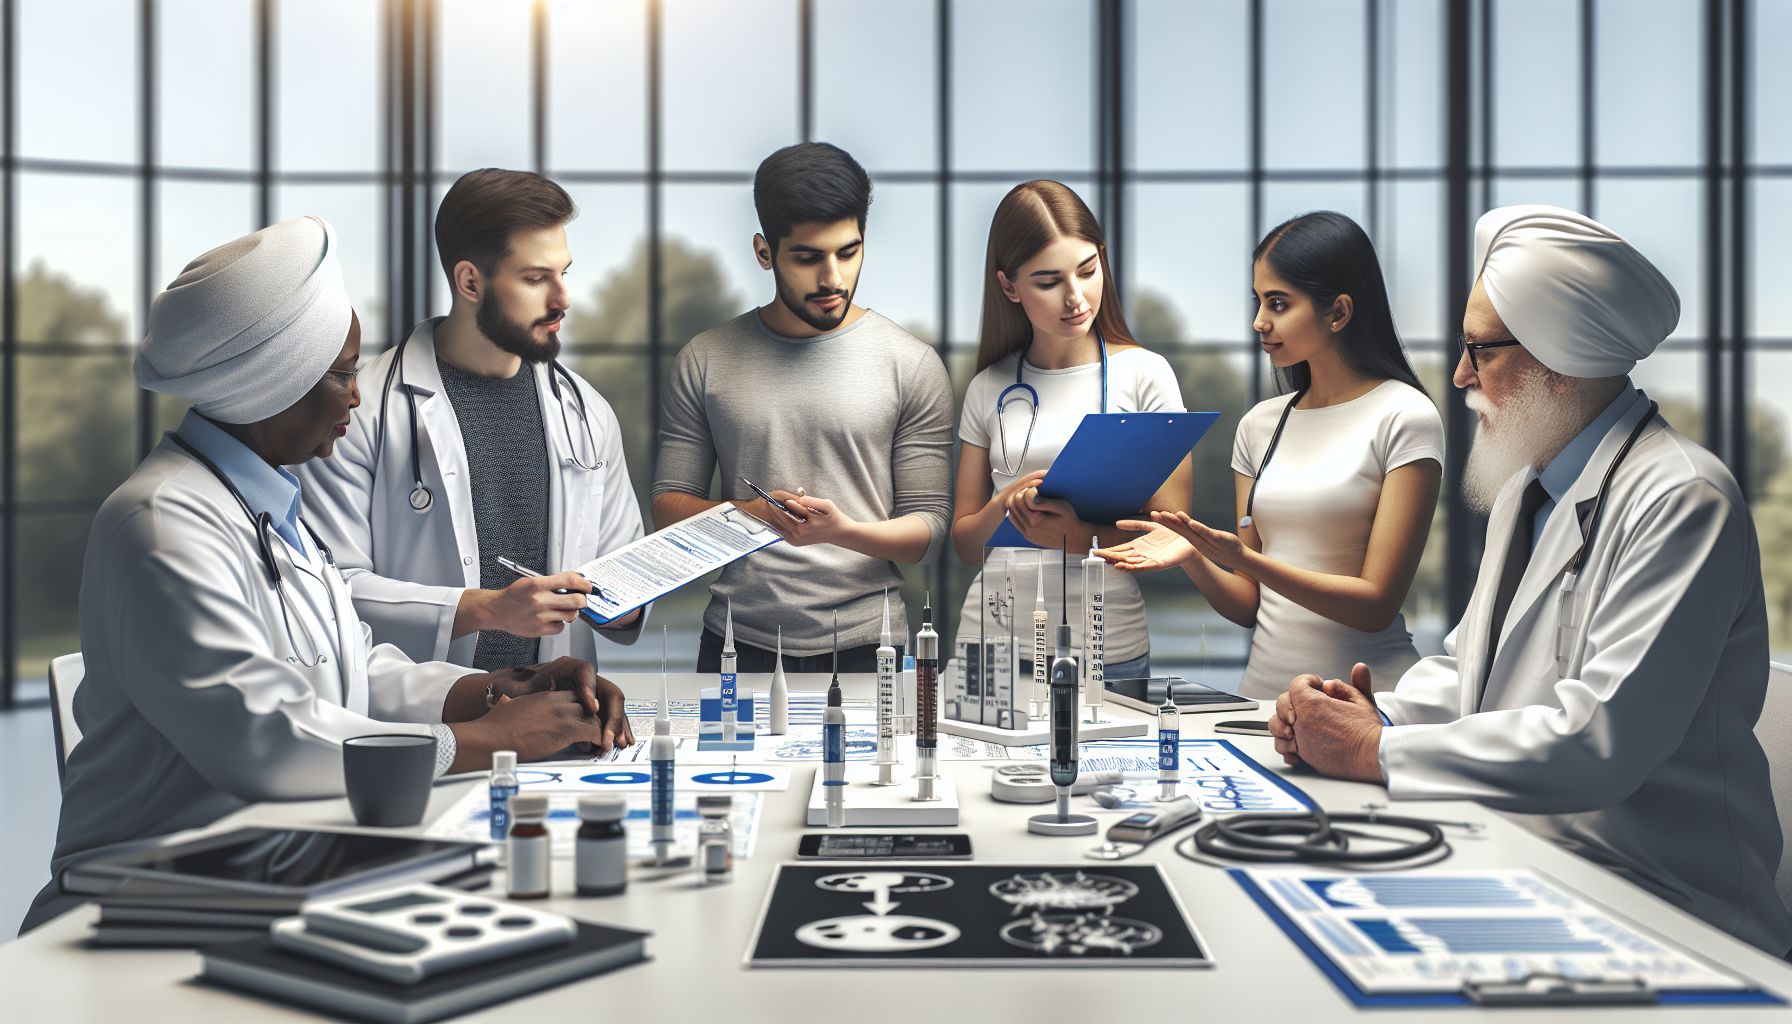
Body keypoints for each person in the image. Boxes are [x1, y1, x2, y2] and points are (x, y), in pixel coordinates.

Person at [26, 217, 631, 931]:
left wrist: (494, 690)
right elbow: (267, 737)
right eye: (342, 372)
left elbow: (348, 669)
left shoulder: (263, 503)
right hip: (144, 892)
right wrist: (493, 739)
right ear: (268, 384)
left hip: (266, 857)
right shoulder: (160, 523)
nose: (356, 395)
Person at [1269, 205, 1792, 955]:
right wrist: (1362, 708)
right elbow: (1473, 672)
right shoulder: (1528, 488)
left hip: (1665, 908)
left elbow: (1596, 743)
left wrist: (1373, 749)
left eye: (1479, 351)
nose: (1458, 377)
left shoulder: (1683, 498)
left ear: (1559, 357)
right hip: (1528, 855)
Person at [299, 169, 645, 676]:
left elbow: (623, 576)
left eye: (563, 273)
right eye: (535, 278)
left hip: (554, 717)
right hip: (422, 718)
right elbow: (330, 586)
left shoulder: (586, 413)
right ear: (469, 281)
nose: (562, 300)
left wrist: (628, 602)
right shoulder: (361, 411)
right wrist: (487, 609)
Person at [1097, 212, 1441, 700]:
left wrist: (1247, 561)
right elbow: (1248, 606)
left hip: (1368, 704)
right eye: (1258, 302)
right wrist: (1194, 558)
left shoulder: (1406, 417)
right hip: (1262, 705)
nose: (1260, 321)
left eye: (1278, 303)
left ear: (1338, 312)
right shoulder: (1259, 426)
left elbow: (1376, 605)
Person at [652, 142, 954, 672]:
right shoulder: (705, 359)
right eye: (808, 257)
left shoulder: (911, 363)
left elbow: (928, 531)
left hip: (872, 644)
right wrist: (757, 517)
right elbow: (668, 508)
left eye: (848, 251)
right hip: (734, 643)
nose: (832, 278)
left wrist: (841, 531)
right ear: (764, 252)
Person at [951, 180, 1188, 680]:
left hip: (1108, 644)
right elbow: (967, 546)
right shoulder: (987, 386)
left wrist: (1081, 538)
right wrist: (1005, 503)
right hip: (990, 642)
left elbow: (1169, 536)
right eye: (1047, 281)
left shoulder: (1145, 375)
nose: (1076, 298)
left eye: (1087, 270)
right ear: (1009, 286)